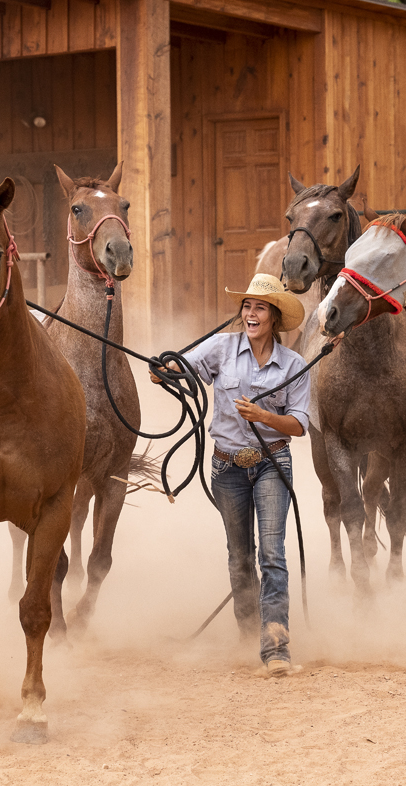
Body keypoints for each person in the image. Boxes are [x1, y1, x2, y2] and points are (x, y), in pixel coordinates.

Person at [159, 273, 311, 677]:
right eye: (246, 306)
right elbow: (183, 370)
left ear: (274, 317)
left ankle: (275, 646)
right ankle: (249, 636)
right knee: (240, 558)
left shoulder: (294, 365)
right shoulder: (221, 348)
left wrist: (263, 416)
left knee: (272, 554)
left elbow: (299, 425)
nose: (250, 313)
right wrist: (166, 369)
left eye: (259, 307)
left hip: (273, 464)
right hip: (226, 466)